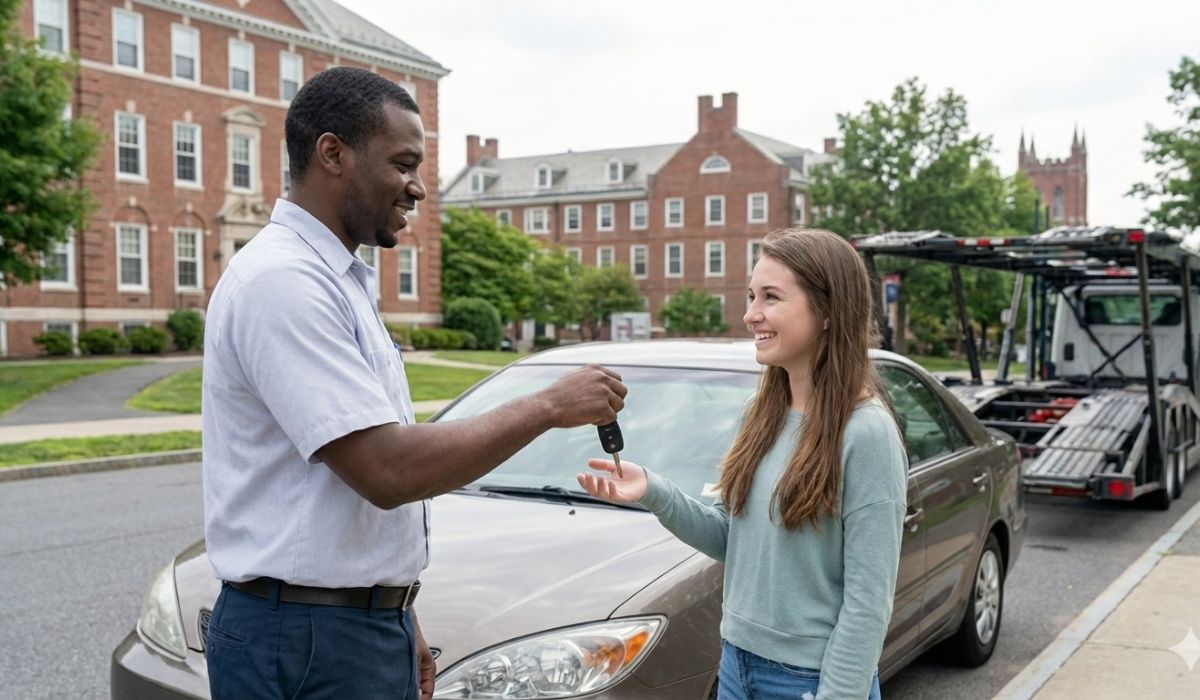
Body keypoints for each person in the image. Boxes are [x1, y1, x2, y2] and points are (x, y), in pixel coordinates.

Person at [202, 66, 626, 700]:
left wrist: (396, 608)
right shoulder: (283, 282)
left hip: (346, 623)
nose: (419, 188)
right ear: (333, 153)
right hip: (306, 638)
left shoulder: (335, 279)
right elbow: (387, 470)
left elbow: (352, 491)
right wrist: (548, 406)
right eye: (404, 164)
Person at [577, 229, 906, 699]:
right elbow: (732, 540)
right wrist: (652, 489)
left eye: (771, 297)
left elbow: (868, 605)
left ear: (829, 310)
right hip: (736, 664)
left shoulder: (866, 432)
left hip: (810, 681)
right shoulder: (762, 414)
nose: (751, 314)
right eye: (752, 296)